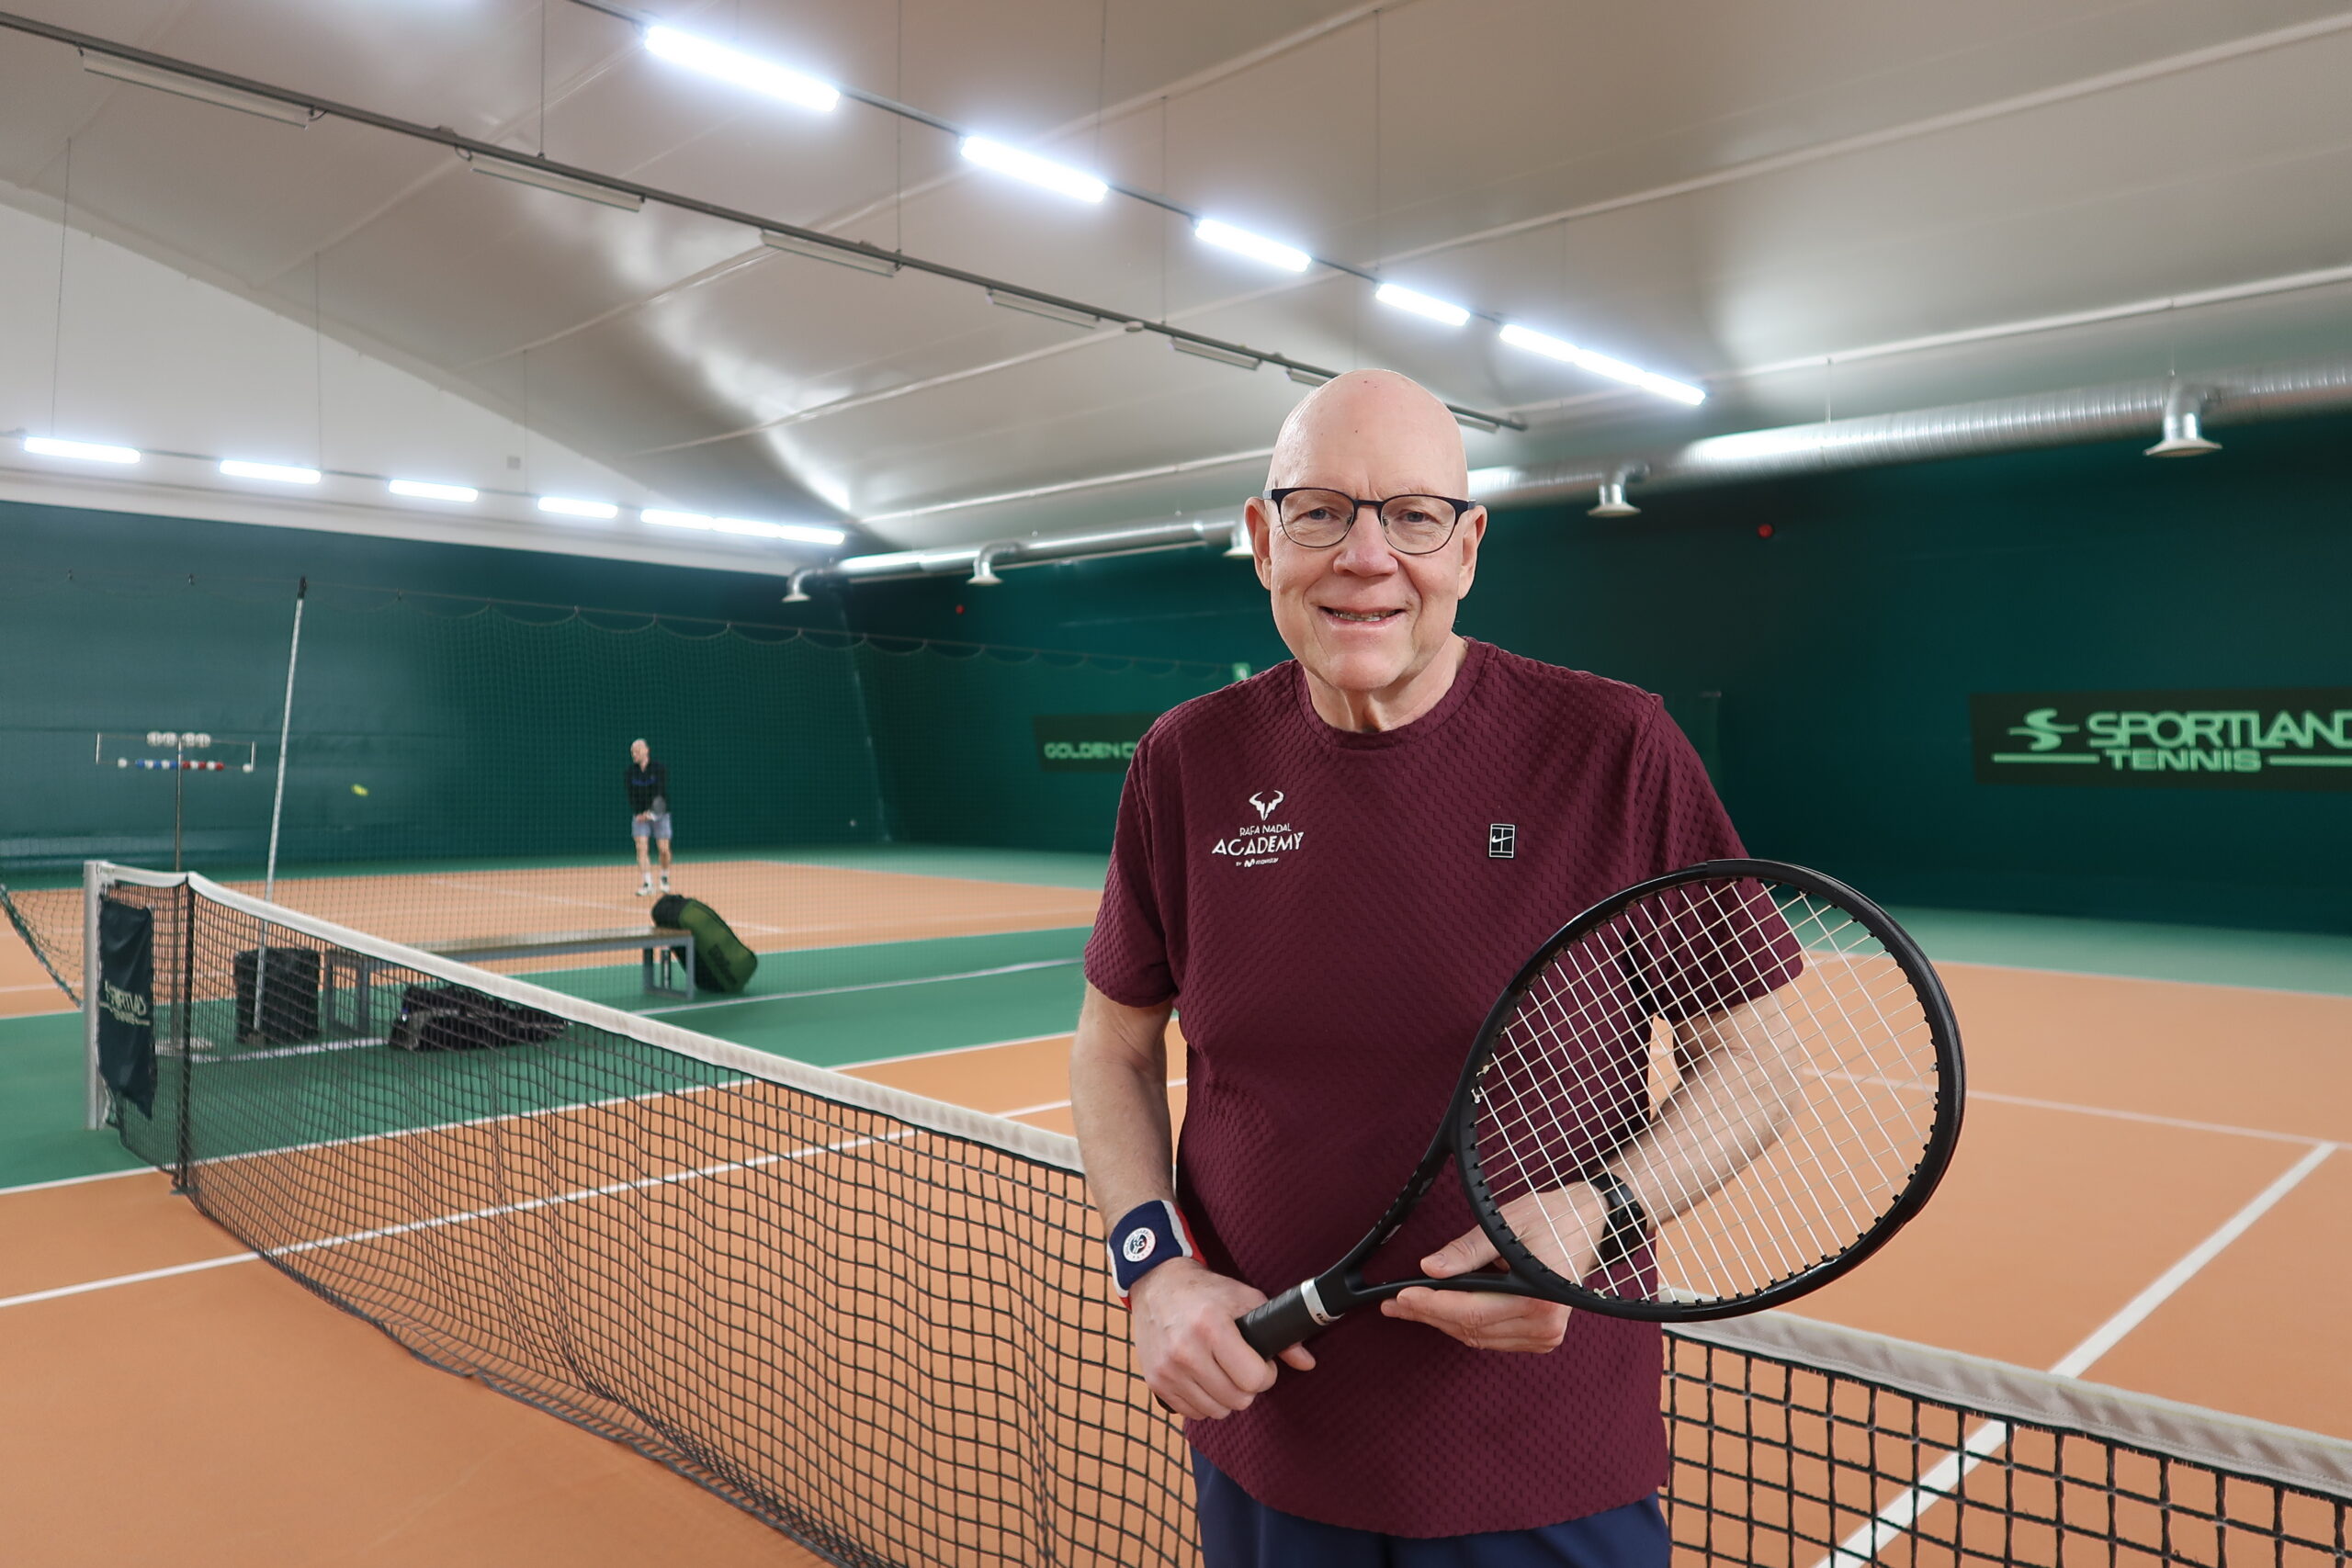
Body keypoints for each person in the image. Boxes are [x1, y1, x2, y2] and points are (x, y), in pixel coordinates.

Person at [1071, 370, 1762, 1565]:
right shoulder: (1184, 762)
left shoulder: (1613, 746)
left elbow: (1755, 1057)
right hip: (1268, 1431)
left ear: (1468, 546)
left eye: (1413, 515)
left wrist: (1603, 1207)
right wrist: (1155, 1266)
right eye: (1321, 511)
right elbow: (1113, 1043)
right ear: (1262, 539)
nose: (1366, 556)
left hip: (1543, 1458)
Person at [624, 739, 672, 897]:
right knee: (641, 847)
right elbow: (631, 795)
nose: (634, 754)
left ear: (646, 750)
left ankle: (664, 878)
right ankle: (647, 883)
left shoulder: (659, 768)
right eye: (632, 752)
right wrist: (640, 813)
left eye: (637, 751)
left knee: (664, 849)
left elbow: (660, 791)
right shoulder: (630, 772)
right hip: (640, 816)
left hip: (660, 814)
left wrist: (652, 812)